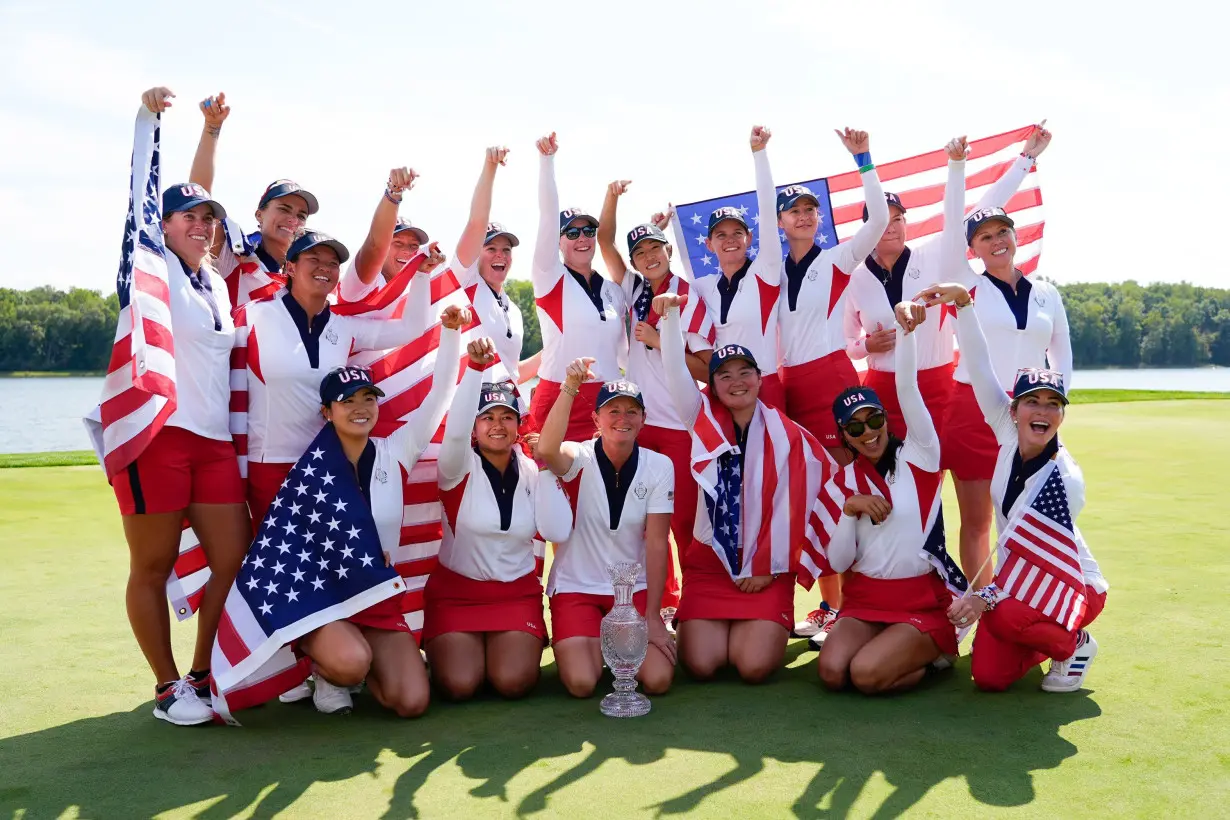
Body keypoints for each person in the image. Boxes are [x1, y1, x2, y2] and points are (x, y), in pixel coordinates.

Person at [101, 88, 252, 725]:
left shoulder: (215, 280)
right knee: (154, 563)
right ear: (162, 227)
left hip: (213, 442)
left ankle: (201, 673)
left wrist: (215, 131)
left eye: (208, 218)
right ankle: (167, 687)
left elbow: (207, 201)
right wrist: (149, 119)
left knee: (232, 560)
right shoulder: (149, 266)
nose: (201, 224)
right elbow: (146, 189)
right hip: (157, 435)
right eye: (188, 216)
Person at [269, 309, 465, 717]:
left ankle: (363, 667)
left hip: (377, 599)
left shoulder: (395, 451)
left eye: (368, 399)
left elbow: (441, 393)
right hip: (326, 601)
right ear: (326, 412)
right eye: (347, 402)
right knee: (350, 660)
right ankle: (324, 667)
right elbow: (289, 551)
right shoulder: (310, 469)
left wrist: (450, 333)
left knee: (412, 702)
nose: (360, 408)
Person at [921, 283, 1107, 693]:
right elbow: (980, 363)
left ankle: (1073, 643)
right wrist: (966, 305)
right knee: (989, 676)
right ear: (1014, 409)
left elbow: (1035, 558)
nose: (1042, 412)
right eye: (1032, 402)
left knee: (1004, 617)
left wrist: (983, 599)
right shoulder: (1007, 431)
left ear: (1061, 413)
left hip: (1068, 582)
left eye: (1052, 404)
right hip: (1018, 581)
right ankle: (1037, 637)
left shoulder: (1064, 480)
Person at [654, 292, 843, 684]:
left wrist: (768, 568)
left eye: (745, 373)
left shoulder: (790, 435)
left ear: (759, 378)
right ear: (712, 383)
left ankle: (753, 623)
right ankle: (722, 625)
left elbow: (818, 493)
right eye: (724, 374)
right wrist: (671, 319)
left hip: (766, 568)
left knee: (753, 666)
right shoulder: (700, 418)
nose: (736, 382)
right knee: (703, 665)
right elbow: (674, 369)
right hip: (711, 562)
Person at [843, 125, 1050, 442]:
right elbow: (848, 344)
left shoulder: (935, 255)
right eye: (884, 220)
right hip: (881, 389)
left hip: (937, 383)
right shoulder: (853, 278)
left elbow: (983, 210)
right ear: (870, 227)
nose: (893, 227)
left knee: (934, 473)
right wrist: (866, 346)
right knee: (887, 476)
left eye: (899, 218)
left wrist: (1026, 158)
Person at [239, 231, 445, 528]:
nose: (325, 267)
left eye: (333, 262)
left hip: (327, 465)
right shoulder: (252, 316)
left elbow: (411, 328)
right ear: (291, 267)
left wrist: (422, 275)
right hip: (269, 466)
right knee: (278, 571)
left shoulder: (344, 326)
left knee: (325, 569)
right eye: (314, 259)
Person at [938, 135, 1071, 586]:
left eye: (1002, 233)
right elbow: (953, 220)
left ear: (1015, 237)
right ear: (971, 248)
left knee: (1024, 517)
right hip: (973, 411)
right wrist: (958, 167)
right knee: (978, 522)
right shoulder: (963, 283)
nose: (996, 241)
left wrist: (1055, 406)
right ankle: (977, 608)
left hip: (1031, 411)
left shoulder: (1047, 292)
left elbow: (1061, 354)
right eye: (984, 237)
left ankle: (1021, 600)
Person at [775, 127, 889, 643]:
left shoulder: (837, 259)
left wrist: (863, 160)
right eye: (793, 211)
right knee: (817, 495)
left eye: (810, 210)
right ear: (779, 222)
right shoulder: (771, 270)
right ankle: (829, 605)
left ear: (819, 217)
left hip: (835, 382)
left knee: (853, 486)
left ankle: (860, 607)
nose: (803, 216)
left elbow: (881, 218)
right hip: (791, 388)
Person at [816, 302, 965, 695]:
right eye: (855, 427)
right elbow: (838, 562)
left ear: (886, 417)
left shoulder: (920, 454)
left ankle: (934, 657)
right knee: (832, 672)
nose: (868, 432)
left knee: (865, 676)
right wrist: (850, 510)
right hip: (866, 598)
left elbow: (908, 388)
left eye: (875, 419)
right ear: (843, 435)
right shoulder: (842, 481)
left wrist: (909, 334)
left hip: (918, 599)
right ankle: (891, 651)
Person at [423, 338, 574, 700]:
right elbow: (454, 431)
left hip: (515, 594)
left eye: (507, 416)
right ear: (474, 427)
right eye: (487, 417)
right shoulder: (456, 467)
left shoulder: (533, 470)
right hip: (457, 594)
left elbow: (558, 527)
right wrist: (475, 368)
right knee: (460, 685)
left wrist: (549, 464)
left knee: (512, 682)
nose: (497, 424)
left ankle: (500, 648)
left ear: (518, 424)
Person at [596, 184, 717, 617]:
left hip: (682, 426)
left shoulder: (689, 295)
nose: (649, 257)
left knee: (683, 521)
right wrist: (610, 197)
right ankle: (661, 604)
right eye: (640, 252)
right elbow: (604, 242)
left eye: (655, 248)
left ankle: (694, 607)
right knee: (645, 523)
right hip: (641, 428)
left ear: (668, 250)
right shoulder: (633, 290)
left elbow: (709, 370)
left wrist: (659, 341)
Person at [536, 366, 676, 698]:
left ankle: (612, 643)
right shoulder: (578, 456)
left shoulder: (659, 465)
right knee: (582, 683)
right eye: (613, 410)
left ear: (643, 419)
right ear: (597, 419)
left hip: (633, 590)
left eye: (632, 411)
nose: (622, 418)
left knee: (657, 680)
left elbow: (657, 542)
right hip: (577, 587)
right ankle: (597, 642)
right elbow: (546, 450)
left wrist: (654, 616)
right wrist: (570, 385)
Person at [528, 132, 629, 441]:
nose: (582, 238)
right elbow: (548, 215)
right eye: (571, 233)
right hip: (560, 397)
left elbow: (626, 355)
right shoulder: (550, 277)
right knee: (555, 487)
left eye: (588, 231)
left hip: (609, 402)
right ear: (557, 242)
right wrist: (547, 161)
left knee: (606, 488)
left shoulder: (613, 290)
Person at [678, 126, 785, 408]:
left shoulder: (766, 271)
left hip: (766, 385)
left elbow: (767, 203)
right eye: (721, 235)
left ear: (749, 238)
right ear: (709, 244)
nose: (730, 240)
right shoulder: (701, 287)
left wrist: (759, 155)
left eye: (737, 233)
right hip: (721, 389)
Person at [183, 89, 320, 308]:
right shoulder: (235, 253)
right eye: (284, 209)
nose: (293, 219)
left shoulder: (311, 272)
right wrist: (211, 128)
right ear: (259, 214)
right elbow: (199, 198)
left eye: (301, 215)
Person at [450, 147, 537, 393]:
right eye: (490, 248)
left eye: (506, 249)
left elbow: (512, 374)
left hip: (501, 411)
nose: (500, 255)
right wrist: (490, 167)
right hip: (465, 410)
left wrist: (556, 347)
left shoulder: (515, 311)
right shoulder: (464, 284)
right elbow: (476, 221)